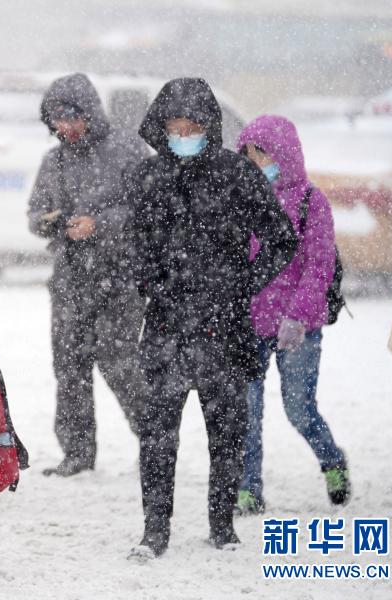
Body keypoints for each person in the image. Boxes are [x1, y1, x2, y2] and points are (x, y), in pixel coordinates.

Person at [124, 78, 298, 559]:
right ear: (161, 128)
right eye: (175, 126)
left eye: (193, 126)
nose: (183, 134)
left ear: (209, 127)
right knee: (158, 436)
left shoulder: (236, 174)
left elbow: (281, 237)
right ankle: (154, 529)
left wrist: (242, 282)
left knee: (226, 434)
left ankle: (222, 526)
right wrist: (151, 281)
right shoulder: (147, 176)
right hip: (165, 326)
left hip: (224, 329)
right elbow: (133, 243)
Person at [27, 73, 149, 477]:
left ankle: (154, 437)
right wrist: (59, 223)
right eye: (57, 120)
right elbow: (35, 216)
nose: (65, 128)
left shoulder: (130, 151)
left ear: (90, 114)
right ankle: (77, 453)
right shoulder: (54, 161)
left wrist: (100, 223)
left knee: (119, 361)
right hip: (70, 278)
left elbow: (150, 211)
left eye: (72, 118)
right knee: (69, 365)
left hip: (121, 276)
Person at [234, 115, 350, 515]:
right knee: (245, 412)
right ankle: (248, 489)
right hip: (248, 324)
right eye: (247, 155)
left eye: (261, 154)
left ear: (283, 153)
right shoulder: (239, 198)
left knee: (298, 408)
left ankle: (332, 460)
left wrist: (297, 316)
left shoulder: (310, 201)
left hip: (296, 327)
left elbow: (319, 266)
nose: (254, 163)